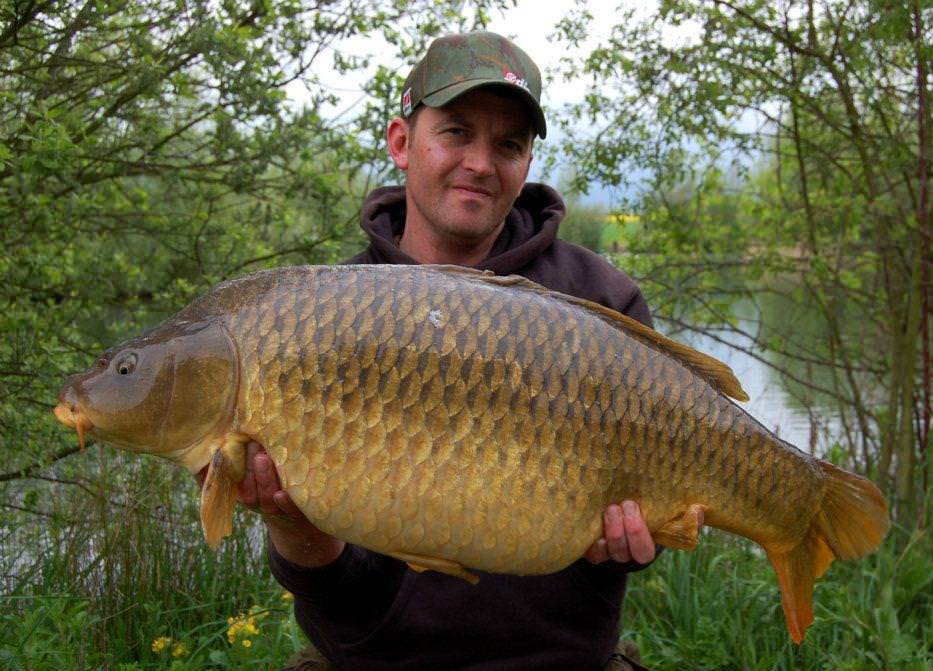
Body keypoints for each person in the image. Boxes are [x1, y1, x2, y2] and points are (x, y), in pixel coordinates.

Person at [231, 31, 690, 670]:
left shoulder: (603, 302)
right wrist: (291, 523)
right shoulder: (322, 318)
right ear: (401, 142)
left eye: (508, 145)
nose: (481, 162)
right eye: (456, 133)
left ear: (528, 162)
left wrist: (640, 539)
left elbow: (661, 510)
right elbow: (337, 592)